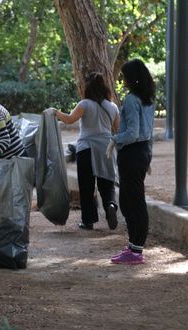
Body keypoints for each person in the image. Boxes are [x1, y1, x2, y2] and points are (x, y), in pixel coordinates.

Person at [55, 72, 120, 231]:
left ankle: (88, 221)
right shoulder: (112, 107)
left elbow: (69, 119)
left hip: (86, 149)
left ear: (88, 88)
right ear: (104, 87)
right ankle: (111, 205)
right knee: (107, 184)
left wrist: (54, 112)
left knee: (87, 187)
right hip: (106, 149)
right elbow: (117, 130)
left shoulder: (84, 104)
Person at [107, 59, 156, 265]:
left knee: (134, 201)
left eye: (125, 77)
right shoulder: (148, 99)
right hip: (141, 152)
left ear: (131, 78)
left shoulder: (131, 100)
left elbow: (133, 133)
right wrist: (148, 155)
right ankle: (133, 245)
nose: (122, 80)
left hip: (132, 153)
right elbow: (148, 132)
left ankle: (136, 250)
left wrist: (114, 139)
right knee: (128, 201)